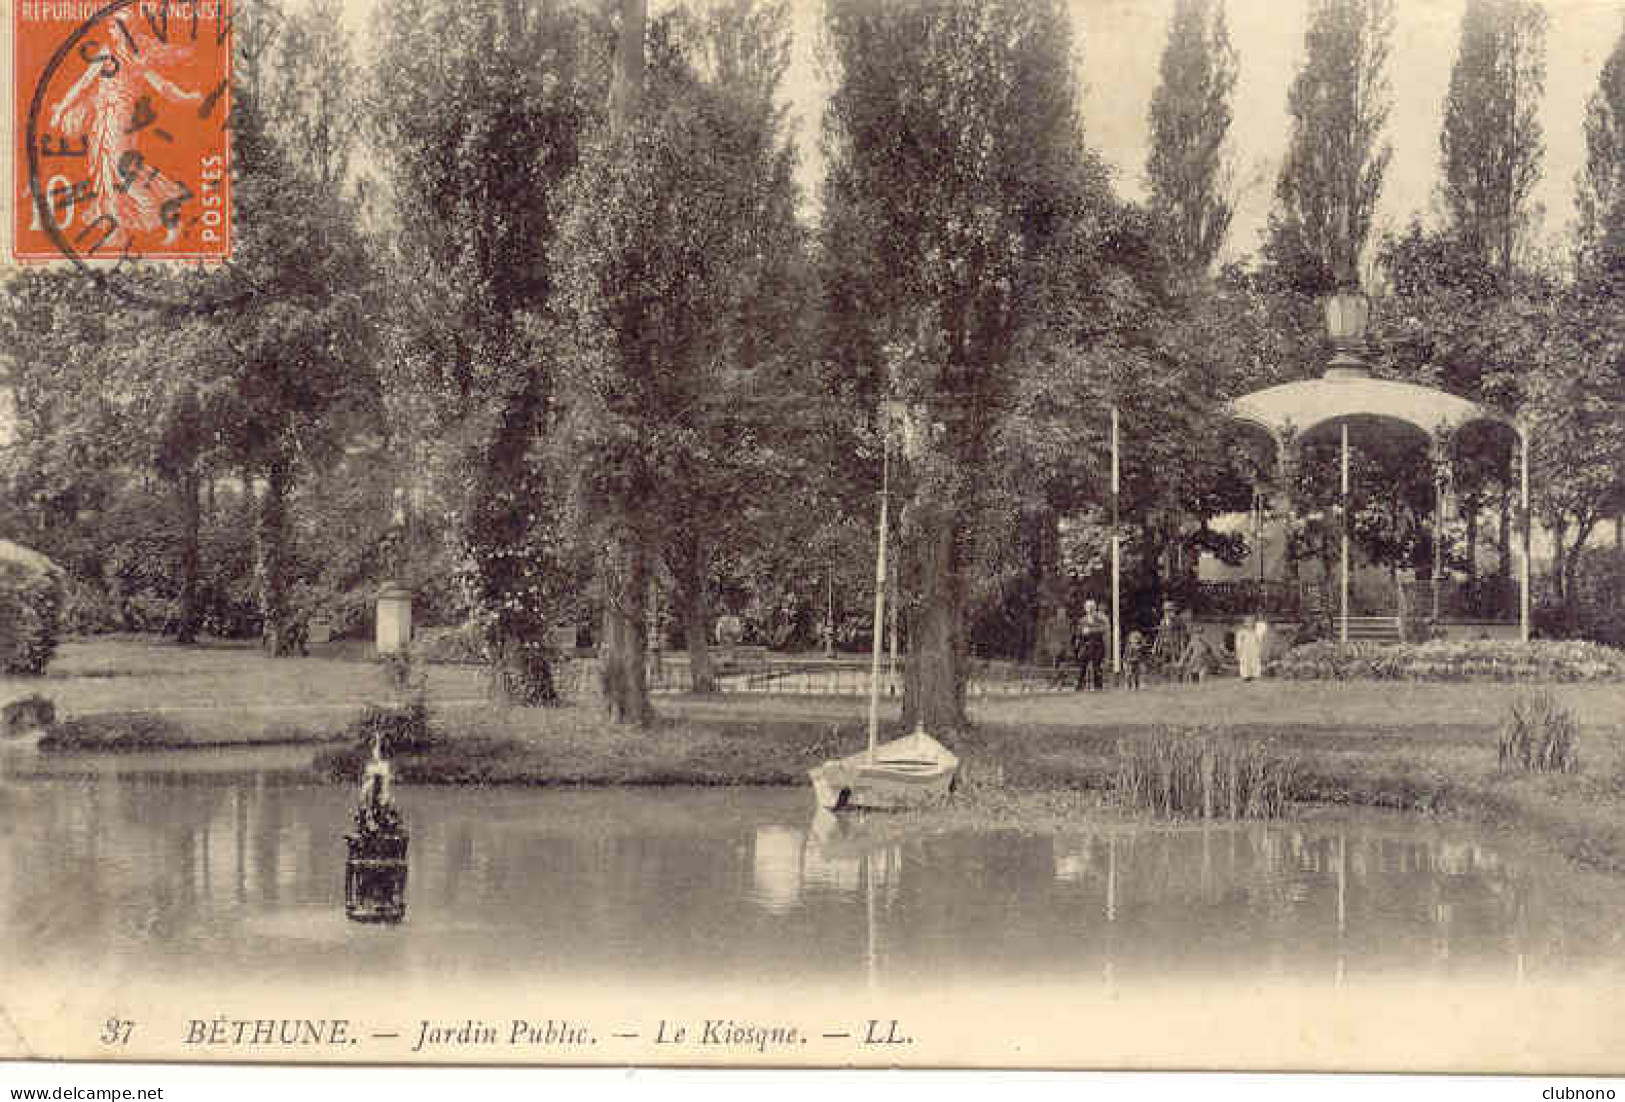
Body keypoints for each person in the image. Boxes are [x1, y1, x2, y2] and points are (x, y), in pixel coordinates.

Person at [1074, 600, 1109, 692]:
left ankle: (1098, 687)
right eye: (1088, 607)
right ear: (1085, 608)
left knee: (1097, 667)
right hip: (1086, 646)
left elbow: (1103, 629)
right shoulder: (1082, 620)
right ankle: (1079, 685)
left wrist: (1090, 630)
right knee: (1083, 666)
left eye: (1091, 607)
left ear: (1094, 608)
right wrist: (1078, 645)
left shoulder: (1100, 619)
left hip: (1098, 646)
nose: (1090, 609)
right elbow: (1078, 633)